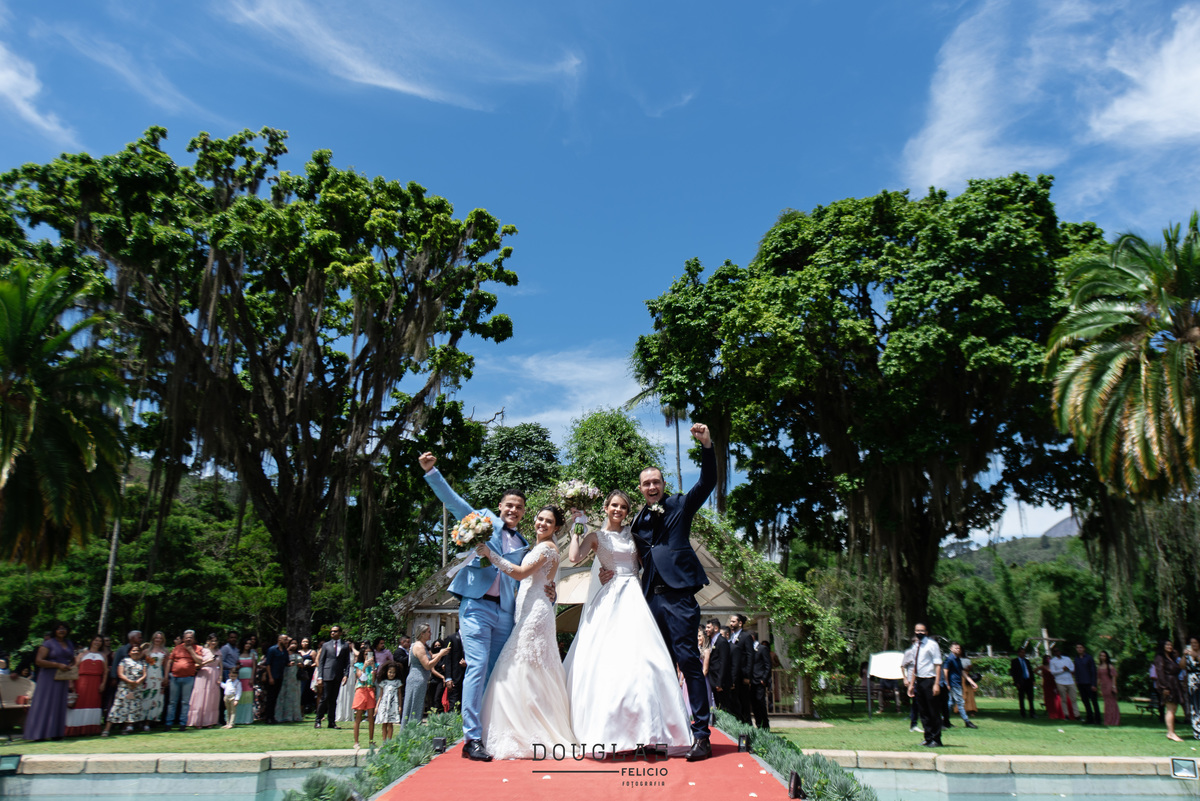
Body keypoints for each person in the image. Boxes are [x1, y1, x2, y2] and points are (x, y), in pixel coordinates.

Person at [419, 450, 553, 762]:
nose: (514, 510)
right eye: (510, 505)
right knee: (477, 667)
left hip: (504, 612)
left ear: (523, 513)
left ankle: (493, 731)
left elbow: (523, 578)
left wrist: (549, 588)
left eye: (519, 507)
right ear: (500, 507)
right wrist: (431, 472)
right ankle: (472, 738)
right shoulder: (483, 520)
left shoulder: (523, 544)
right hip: (476, 606)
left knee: (496, 672)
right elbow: (454, 502)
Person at [562, 489, 692, 752]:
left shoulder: (634, 535)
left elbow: (648, 561)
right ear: (606, 508)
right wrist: (577, 527)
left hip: (634, 595)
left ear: (627, 511)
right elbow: (574, 558)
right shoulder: (595, 536)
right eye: (614, 505)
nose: (618, 510)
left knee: (644, 659)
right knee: (607, 659)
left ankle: (649, 731)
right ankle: (608, 729)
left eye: (623, 507)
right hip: (610, 597)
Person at [627, 423, 717, 761]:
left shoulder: (680, 505)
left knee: (688, 661)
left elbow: (707, 482)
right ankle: (658, 734)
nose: (652, 487)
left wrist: (706, 446)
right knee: (656, 666)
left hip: (679, 596)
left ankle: (701, 735)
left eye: (656, 482)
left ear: (663, 485)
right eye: (646, 483)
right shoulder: (636, 521)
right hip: (650, 599)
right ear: (640, 489)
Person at [476, 505, 577, 759]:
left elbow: (520, 574)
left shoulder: (546, 549)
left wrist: (490, 554)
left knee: (521, 665)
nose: (542, 523)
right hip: (531, 608)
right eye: (540, 519)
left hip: (535, 614)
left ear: (556, 527)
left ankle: (526, 729)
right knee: (531, 666)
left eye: (549, 521)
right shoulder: (540, 548)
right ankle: (525, 725)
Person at [24, 622, 76, 741]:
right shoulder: (48, 643)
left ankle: (56, 733)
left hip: (62, 676)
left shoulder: (69, 643)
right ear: (54, 631)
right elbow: (39, 661)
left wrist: (71, 666)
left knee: (59, 703)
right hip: (48, 676)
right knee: (45, 703)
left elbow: (72, 658)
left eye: (64, 628)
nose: (61, 630)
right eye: (59, 628)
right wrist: (57, 665)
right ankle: (38, 734)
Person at [400, 623, 449, 727]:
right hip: (416, 680)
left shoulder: (423, 646)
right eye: (429, 632)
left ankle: (413, 728)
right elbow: (427, 665)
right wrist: (441, 654)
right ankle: (410, 729)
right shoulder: (419, 647)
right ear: (422, 633)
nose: (431, 633)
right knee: (415, 706)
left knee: (418, 706)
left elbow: (431, 657)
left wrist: (442, 653)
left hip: (420, 680)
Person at [907, 622, 943, 748]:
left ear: (926, 632)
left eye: (922, 631)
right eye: (917, 631)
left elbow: (938, 664)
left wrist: (936, 684)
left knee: (933, 711)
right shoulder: (915, 646)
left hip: (930, 680)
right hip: (919, 681)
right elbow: (915, 666)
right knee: (923, 712)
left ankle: (936, 739)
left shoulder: (932, 645)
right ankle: (928, 737)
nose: (919, 633)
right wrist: (911, 684)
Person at [65, 635, 106, 736]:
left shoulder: (103, 655)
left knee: (93, 703)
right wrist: (71, 682)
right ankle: (74, 729)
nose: (97, 642)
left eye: (100, 641)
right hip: (82, 682)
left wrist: (103, 683)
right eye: (96, 640)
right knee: (79, 703)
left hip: (96, 682)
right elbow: (74, 668)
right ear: (92, 641)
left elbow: (105, 671)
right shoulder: (82, 654)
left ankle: (90, 729)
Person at [103, 643, 146, 736]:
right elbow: (120, 674)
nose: (135, 652)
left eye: (137, 650)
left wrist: (138, 682)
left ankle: (125, 728)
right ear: (129, 652)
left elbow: (144, 674)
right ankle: (107, 729)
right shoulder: (124, 661)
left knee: (131, 709)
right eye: (133, 650)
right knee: (117, 707)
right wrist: (130, 681)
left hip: (136, 688)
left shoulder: (142, 662)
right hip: (124, 688)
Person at [314, 625, 351, 729]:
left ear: (340, 633)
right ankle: (318, 720)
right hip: (327, 674)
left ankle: (331, 722)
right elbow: (321, 662)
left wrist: (346, 675)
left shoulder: (345, 645)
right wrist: (320, 676)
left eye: (335, 631)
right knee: (325, 698)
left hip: (338, 675)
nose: (332, 633)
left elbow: (347, 662)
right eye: (331, 631)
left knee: (333, 699)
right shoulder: (326, 645)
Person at [165, 630, 203, 730]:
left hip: (188, 678)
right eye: (186, 637)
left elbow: (200, 661)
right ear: (183, 639)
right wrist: (166, 676)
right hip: (175, 677)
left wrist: (191, 651)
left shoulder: (197, 648)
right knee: (172, 702)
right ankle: (169, 723)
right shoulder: (177, 648)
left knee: (185, 702)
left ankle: (183, 723)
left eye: (190, 637)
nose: (188, 639)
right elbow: (169, 662)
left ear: (194, 639)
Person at [187, 633, 222, 728]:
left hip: (214, 674)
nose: (214, 642)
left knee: (211, 698)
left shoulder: (218, 652)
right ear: (208, 641)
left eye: (215, 641)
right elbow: (198, 665)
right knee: (200, 697)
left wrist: (220, 676)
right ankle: (197, 721)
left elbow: (221, 665)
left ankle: (209, 721)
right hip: (203, 674)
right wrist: (207, 662)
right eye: (212, 641)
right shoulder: (203, 650)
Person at [1154, 640, 1186, 742]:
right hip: (1168, 684)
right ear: (1162, 646)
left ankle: (1171, 732)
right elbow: (1160, 672)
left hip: (1175, 683)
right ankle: (1171, 733)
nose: (1169, 646)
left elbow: (1180, 667)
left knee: (1174, 709)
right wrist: (1164, 687)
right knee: (1170, 709)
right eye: (1167, 644)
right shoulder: (1160, 658)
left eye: (1170, 644)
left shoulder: (1172, 657)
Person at [943, 643, 979, 729]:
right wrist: (947, 683)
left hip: (958, 683)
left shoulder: (958, 659)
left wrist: (971, 682)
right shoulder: (949, 659)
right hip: (953, 684)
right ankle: (967, 721)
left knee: (950, 703)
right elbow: (945, 671)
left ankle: (944, 721)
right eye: (956, 648)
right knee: (960, 702)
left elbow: (962, 672)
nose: (958, 650)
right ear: (951, 649)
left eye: (959, 648)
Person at [728, 613, 756, 725]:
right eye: (730, 621)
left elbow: (750, 656)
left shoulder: (746, 636)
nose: (731, 623)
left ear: (740, 623)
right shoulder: (731, 636)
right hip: (733, 674)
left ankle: (747, 725)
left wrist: (747, 676)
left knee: (743, 702)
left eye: (733, 621)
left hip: (742, 674)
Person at [262, 633, 290, 724]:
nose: (286, 641)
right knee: (270, 697)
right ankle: (268, 717)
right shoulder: (272, 649)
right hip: (272, 676)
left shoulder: (285, 651)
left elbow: (286, 662)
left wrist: (291, 664)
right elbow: (268, 664)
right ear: (279, 640)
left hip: (280, 676)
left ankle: (272, 717)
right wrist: (270, 677)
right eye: (285, 639)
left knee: (275, 697)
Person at [143, 631, 168, 727]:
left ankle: (149, 721)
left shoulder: (165, 651)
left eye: (160, 638)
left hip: (158, 676)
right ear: (153, 639)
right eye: (156, 638)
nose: (158, 640)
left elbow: (166, 665)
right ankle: (141, 720)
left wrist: (166, 677)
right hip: (147, 676)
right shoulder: (147, 651)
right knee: (145, 696)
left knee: (155, 698)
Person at [352, 649, 377, 748]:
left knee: (371, 717)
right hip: (361, 690)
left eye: (369, 654)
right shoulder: (358, 665)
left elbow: (373, 680)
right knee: (358, 716)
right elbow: (361, 679)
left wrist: (373, 667)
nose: (367, 656)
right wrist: (364, 667)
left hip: (370, 690)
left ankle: (371, 741)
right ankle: (356, 742)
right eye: (365, 654)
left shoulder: (374, 666)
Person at [706, 619, 730, 713]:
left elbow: (723, 662)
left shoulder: (722, 641)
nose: (706, 629)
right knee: (718, 706)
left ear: (716, 628)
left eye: (709, 627)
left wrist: (719, 682)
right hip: (713, 679)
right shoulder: (711, 641)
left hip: (720, 682)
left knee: (723, 707)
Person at [375, 660, 403, 741]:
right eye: (390, 672)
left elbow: (399, 694)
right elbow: (380, 696)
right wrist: (377, 707)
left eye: (393, 672)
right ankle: (384, 741)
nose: (392, 674)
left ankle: (389, 741)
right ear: (386, 672)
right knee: (384, 724)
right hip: (384, 704)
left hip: (393, 705)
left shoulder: (397, 682)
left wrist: (400, 706)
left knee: (390, 724)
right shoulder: (383, 682)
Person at [1048, 645, 1078, 720]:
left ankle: (1077, 715)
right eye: (1055, 651)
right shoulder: (1053, 661)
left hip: (1070, 681)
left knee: (1073, 699)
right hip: (1060, 681)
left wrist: (1068, 669)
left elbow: (1073, 668)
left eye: (1058, 650)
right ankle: (1066, 715)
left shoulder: (1067, 659)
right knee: (1064, 699)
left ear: (1060, 651)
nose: (1057, 652)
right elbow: (1053, 672)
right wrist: (1062, 670)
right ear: (1054, 653)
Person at [277, 638, 303, 722]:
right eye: (292, 643)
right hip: (285, 675)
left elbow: (302, 665)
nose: (294, 645)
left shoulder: (298, 654)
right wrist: (288, 664)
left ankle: (294, 716)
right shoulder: (284, 653)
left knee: (294, 695)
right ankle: (283, 716)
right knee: (283, 695)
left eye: (295, 643)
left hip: (295, 677)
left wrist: (300, 665)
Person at [234, 636, 257, 725]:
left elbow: (254, 667)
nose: (248, 645)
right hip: (239, 678)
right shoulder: (238, 654)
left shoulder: (252, 654)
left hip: (248, 678)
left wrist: (252, 678)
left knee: (247, 698)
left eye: (249, 644)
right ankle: (237, 718)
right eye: (246, 643)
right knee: (239, 697)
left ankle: (247, 719)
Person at [1074, 643, 1099, 724]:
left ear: (1084, 648)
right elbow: (1076, 671)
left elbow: (1093, 671)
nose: (1079, 649)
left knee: (1094, 701)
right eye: (1078, 647)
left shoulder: (1089, 658)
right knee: (1085, 701)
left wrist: (1093, 684)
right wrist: (1077, 681)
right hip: (1081, 683)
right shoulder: (1076, 659)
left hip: (1089, 683)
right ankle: (1089, 718)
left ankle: (1097, 719)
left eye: (1081, 647)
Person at [1009, 647, 1037, 718]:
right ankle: (1023, 713)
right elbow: (1014, 673)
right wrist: (1016, 682)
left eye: (1024, 652)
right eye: (1022, 652)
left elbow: (1030, 671)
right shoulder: (1015, 661)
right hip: (1021, 682)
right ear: (1019, 653)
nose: (1023, 654)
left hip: (1028, 681)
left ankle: (1032, 713)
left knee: (1030, 698)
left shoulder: (1027, 661)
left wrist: (1033, 680)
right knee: (1021, 698)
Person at [751, 639, 773, 729]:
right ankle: (758, 723)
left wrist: (764, 678)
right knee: (754, 703)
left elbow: (768, 664)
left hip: (760, 680)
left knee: (760, 702)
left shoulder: (762, 648)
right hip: (752, 680)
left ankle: (765, 724)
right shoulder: (750, 649)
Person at [1096, 650, 1120, 727]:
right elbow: (1099, 678)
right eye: (1101, 655)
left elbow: (1114, 677)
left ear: (1106, 657)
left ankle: (1114, 720)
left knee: (1112, 703)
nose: (1102, 657)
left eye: (1104, 656)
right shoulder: (1099, 667)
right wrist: (1096, 686)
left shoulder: (1110, 666)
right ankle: (1108, 720)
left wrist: (1114, 686)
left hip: (1110, 686)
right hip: (1103, 687)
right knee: (1106, 704)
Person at [445, 630, 465, 712]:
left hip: (467, 676)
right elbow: (447, 659)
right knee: (454, 704)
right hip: (455, 677)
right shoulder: (451, 638)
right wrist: (448, 678)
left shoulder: (471, 638)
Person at [1185, 636, 1200, 740]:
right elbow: (1182, 666)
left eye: (1195, 642)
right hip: (1193, 683)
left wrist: (1196, 656)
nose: (1193, 644)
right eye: (1191, 643)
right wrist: (1184, 655)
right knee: (1195, 707)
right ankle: (1198, 732)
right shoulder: (1189, 654)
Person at [298, 637, 317, 714]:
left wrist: (310, 665)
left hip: (309, 673)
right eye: (303, 642)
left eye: (306, 642)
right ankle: (300, 710)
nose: (305, 643)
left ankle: (308, 708)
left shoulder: (312, 652)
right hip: (300, 672)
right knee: (301, 691)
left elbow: (316, 662)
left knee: (307, 691)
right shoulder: (298, 652)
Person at [1040, 655, 1063, 719]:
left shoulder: (1053, 666)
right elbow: (1035, 670)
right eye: (1047, 659)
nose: (1048, 660)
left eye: (1049, 658)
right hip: (1046, 683)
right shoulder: (1043, 666)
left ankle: (1057, 710)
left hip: (1053, 683)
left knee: (1055, 697)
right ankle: (1050, 711)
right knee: (1048, 697)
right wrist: (1041, 675)